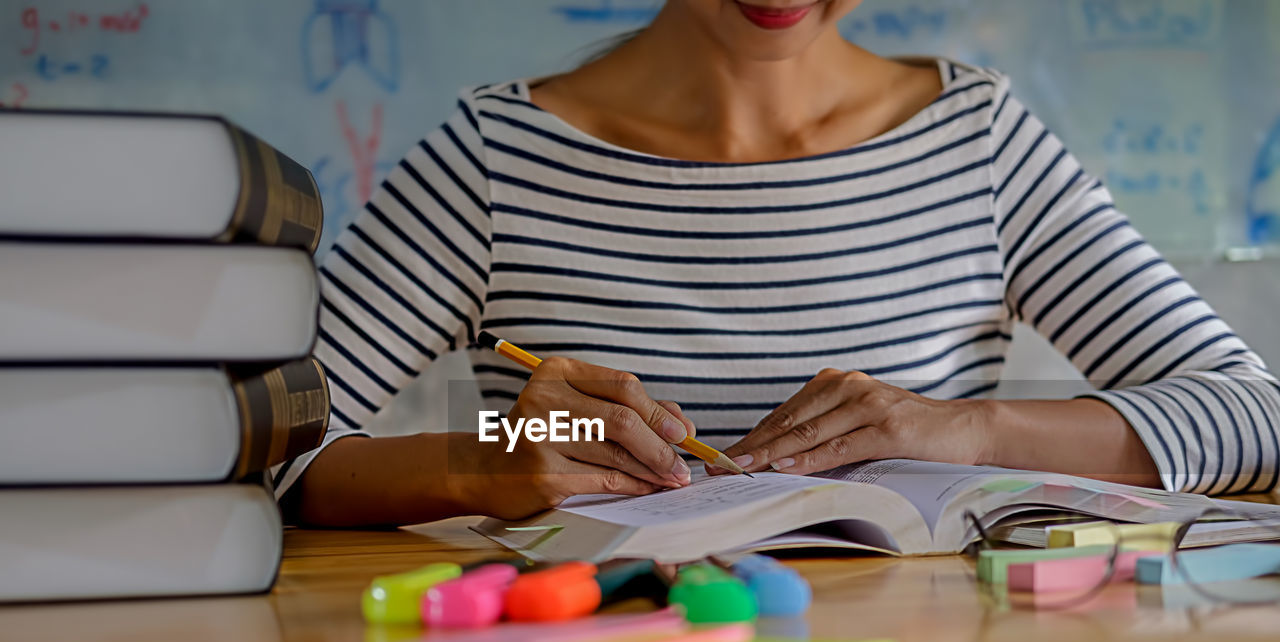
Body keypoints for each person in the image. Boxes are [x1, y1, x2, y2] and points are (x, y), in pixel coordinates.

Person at [279, 0, 1280, 527]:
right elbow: (270, 445)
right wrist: (478, 459)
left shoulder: (975, 140)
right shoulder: (496, 157)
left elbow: (1256, 417)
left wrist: (966, 429)